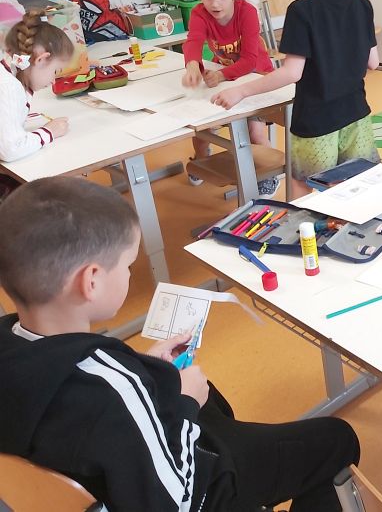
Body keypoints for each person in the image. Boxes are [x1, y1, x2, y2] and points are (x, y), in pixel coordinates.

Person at [0, 177, 360, 511]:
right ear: (91, 281)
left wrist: (144, 369)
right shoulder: (113, 392)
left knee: (206, 398)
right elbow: (177, 499)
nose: (129, 273)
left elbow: (87, 396)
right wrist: (185, 403)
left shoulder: (12, 343)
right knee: (336, 439)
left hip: (110, 475)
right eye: (127, 265)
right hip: (194, 488)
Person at [211, 0, 381, 198]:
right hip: (356, 115)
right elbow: (373, 62)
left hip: (316, 122)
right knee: (357, 188)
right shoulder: (361, 3)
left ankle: (301, 229)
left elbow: (291, 73)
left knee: (304, 187)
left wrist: (241, 91)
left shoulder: (302, 10)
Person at [180, 0, 279, 196]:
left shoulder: (247, 12)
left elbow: (249, 60)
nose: (215, 4)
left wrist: (222, 75)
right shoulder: (199, 14)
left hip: (256, 76)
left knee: (255, 133)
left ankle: (270, 173)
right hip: (224, 74)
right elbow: (193, 41)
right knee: (203, 126)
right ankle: (201, 157)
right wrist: (192, 65)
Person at [0, 11, 74, 200]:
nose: (53, 80)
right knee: (53, 194)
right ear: (41, 60)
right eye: (55, 70)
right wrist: (48, 132)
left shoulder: (8, 72)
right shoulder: (8, 85)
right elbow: (11, 149)